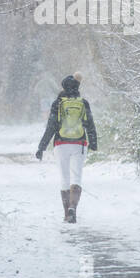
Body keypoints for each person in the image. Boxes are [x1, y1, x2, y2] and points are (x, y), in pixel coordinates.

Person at [35, 72, 98, 223]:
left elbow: (51, 126)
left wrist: (41, 147)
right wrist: (93, 142)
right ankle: (73, 208)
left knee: (64, 178)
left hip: (61, 144)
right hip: (79, 144)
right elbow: (90, 124)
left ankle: (66, 214)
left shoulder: (58, 103)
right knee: (76, 178)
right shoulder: (83, 103)